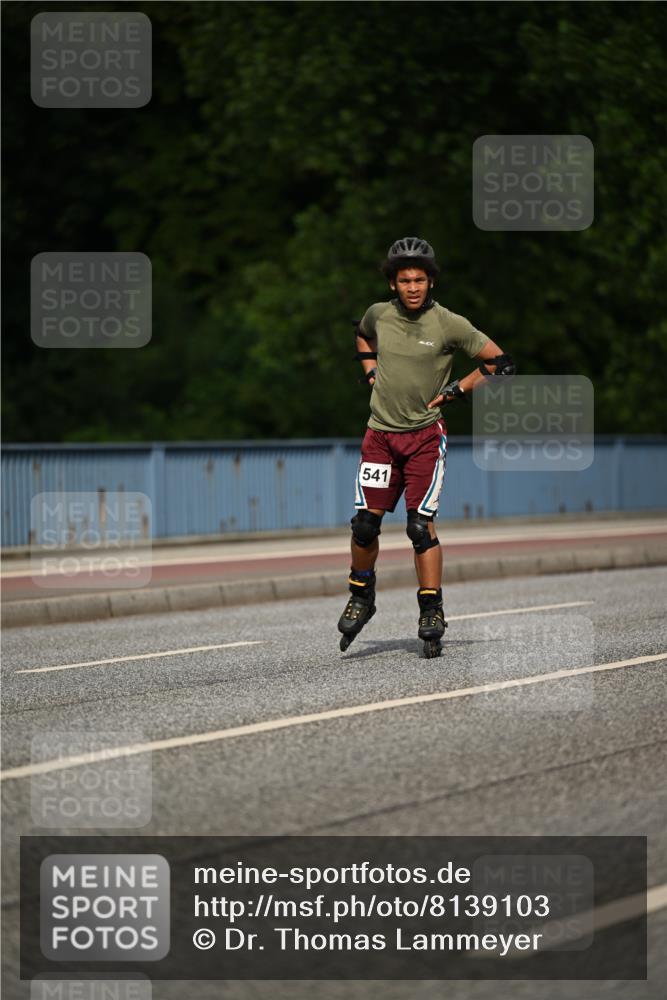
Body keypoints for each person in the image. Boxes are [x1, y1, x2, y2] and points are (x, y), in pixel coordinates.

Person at [337, 236, 515, 656]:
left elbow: (501, 364)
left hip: (423, 440)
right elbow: (362, 336)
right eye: (404, 280)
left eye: (420, 279)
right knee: (364, 524)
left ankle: (431, 608)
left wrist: (457, 390)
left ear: (431, 282)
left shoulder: (448, 323)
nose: (412, 287)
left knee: (420, 527)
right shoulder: (378, 315)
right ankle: (362, 594)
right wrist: (370, 374)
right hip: (379, 436)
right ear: (393, 285)